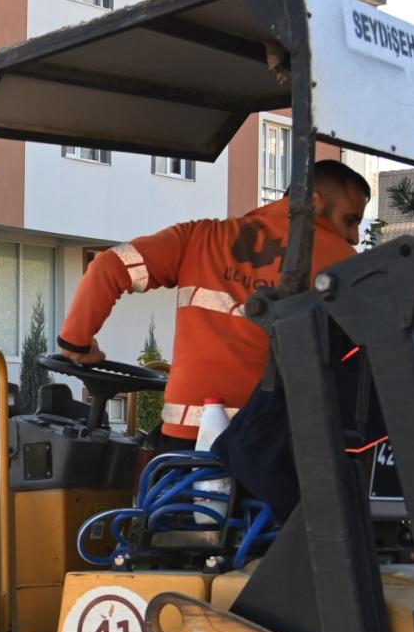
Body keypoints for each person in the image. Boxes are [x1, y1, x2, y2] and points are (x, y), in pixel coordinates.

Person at [55, 158, 375, 446]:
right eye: (349, 220)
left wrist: (76, 344)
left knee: (159, 497)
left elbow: (110, 266)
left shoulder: (202, 236)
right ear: (314, 202)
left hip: (188, 437)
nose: (355, 236)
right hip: (275, 440)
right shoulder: (345, 265)